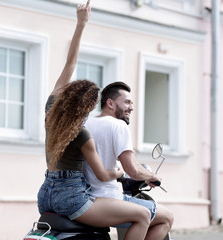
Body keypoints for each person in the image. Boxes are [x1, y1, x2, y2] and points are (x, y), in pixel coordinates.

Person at [37, 2, 152, 239]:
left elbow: (70, 64)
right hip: (71, 199)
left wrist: (81, 24)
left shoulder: (51, 112)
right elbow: (102, 175)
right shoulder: (82, 134)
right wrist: (119, 173)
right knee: (142, 215)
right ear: (87, 108)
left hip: (45, 194)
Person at [84, 81, 174, 240]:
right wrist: (152, 176)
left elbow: (119, 163)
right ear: (110, 103)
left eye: (132, 103)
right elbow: (131, 169)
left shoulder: (86, 123)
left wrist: (142, 173)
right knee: (167, 217)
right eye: (126, 102)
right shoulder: (118, 125)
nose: (131, 107)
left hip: (85, 198)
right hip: (108, 198)